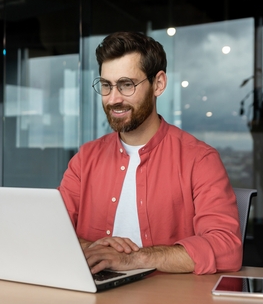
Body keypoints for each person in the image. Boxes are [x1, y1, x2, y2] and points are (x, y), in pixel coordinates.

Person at [58, 31, 242, 275]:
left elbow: (226, 248)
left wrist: (134, 258)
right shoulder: (85, 159)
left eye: (126, 85)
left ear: (159, 84)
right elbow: (52, 231)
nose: (113, 99)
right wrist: (94, 250)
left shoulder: (199, 159)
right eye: (106, 85)